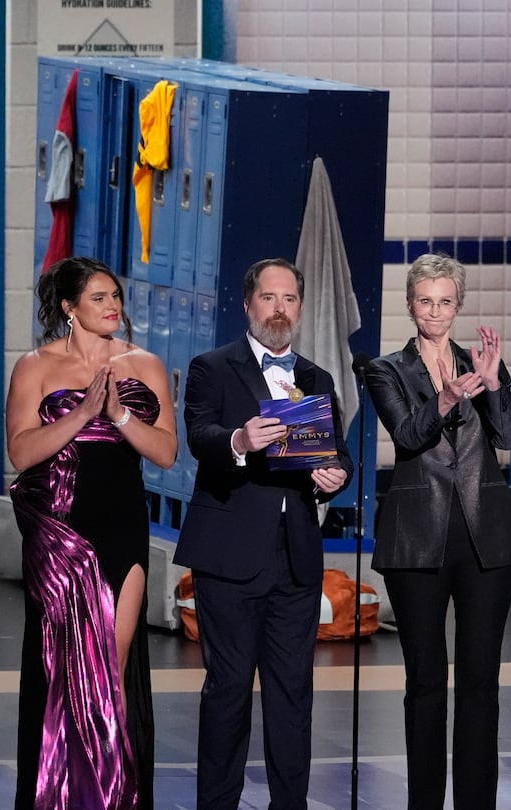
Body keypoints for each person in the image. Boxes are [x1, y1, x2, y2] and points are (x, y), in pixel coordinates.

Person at [174, 257, 354, 809]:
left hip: (295, 558)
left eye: (290, 300)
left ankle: (289, 804)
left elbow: (337, 453)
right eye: (270, 299)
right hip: (229, 556)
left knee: (293, 693)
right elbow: (200, 434)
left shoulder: (317, 378)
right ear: (248, 304)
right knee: (227, 690)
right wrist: (239, 440)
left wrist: (335, 476)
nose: (280, 310)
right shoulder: (213, 367)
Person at [362, 253, 511, 810]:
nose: (435, 312)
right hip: (418, 538)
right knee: (426, 684)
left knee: (482, 683)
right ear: (411, 304)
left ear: (458, 306)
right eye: (425, 301)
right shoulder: (385, 369)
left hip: (488, 538)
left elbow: (508, 435)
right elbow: (408, 435)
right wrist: (449, 396)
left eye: (445, 302)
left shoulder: (479, 362)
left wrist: (491, 385)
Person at [6, 256, 177, 809]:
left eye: (115, 297)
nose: (113, 307)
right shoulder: (35, 366)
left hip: (123, 525)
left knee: (110, 665)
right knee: (61, 668)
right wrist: (81, 414)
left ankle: (110, 796)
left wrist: (121, 415)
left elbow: (168, 454)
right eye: (100, 298)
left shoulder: (146, 364)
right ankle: (58, 794)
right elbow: (21, 451)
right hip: (61, 532)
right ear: (69, 307)